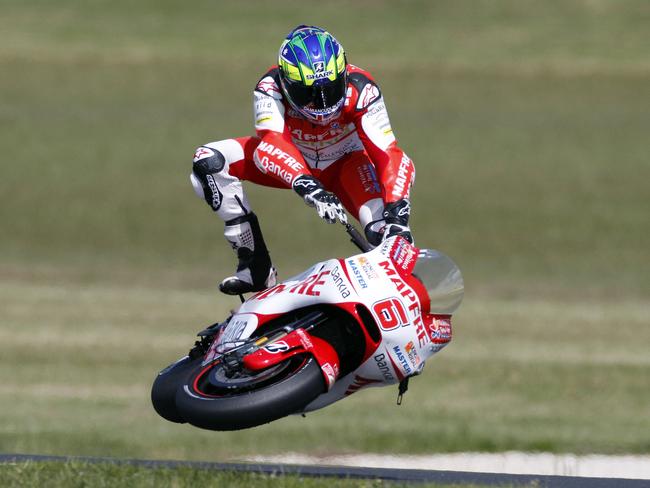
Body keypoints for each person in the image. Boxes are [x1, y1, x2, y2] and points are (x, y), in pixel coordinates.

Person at [190, 25, 416, 295]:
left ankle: (404, 301)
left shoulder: (362, 89)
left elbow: (389, 153)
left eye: (330, 91)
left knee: (388, 234)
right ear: (286, 83)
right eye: (306, 94)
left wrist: (398, 213)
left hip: (347, 165)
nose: (321, 105)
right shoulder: (268, 88)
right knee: (208, 162)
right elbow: (269, 145)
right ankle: (256, 268)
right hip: (294, 163)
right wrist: (308, 185)